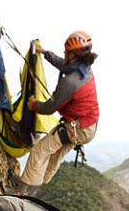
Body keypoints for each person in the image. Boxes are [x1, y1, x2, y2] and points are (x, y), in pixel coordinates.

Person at [13, 30, 100, 195]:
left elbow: (50, 108)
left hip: (78, 128)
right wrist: (46, 53)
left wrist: (34, 105)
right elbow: (63, 64)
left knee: (40, 149)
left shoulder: (70, 82)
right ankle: (34, 185)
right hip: (88, 126)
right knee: (54, 152)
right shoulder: (85, 69)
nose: (64, 53)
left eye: (66, 52)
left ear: (73, 55)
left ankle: (20, 192)